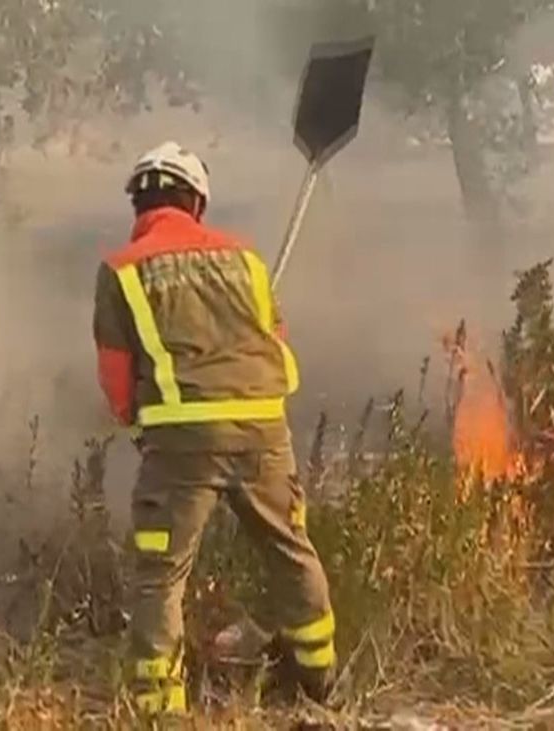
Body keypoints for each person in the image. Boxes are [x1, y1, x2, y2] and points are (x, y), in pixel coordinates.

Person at [92, 141, 336, 716]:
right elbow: (273, 337)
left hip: (181, 445)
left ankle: (158, 708)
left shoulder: (122, 270)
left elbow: (116, 371)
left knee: (161, 572)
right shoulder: (246, 259)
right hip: (262, 429)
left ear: (138, 204)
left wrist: (137, 421)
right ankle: (317, 677)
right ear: (197, 201)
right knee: (290, 549)